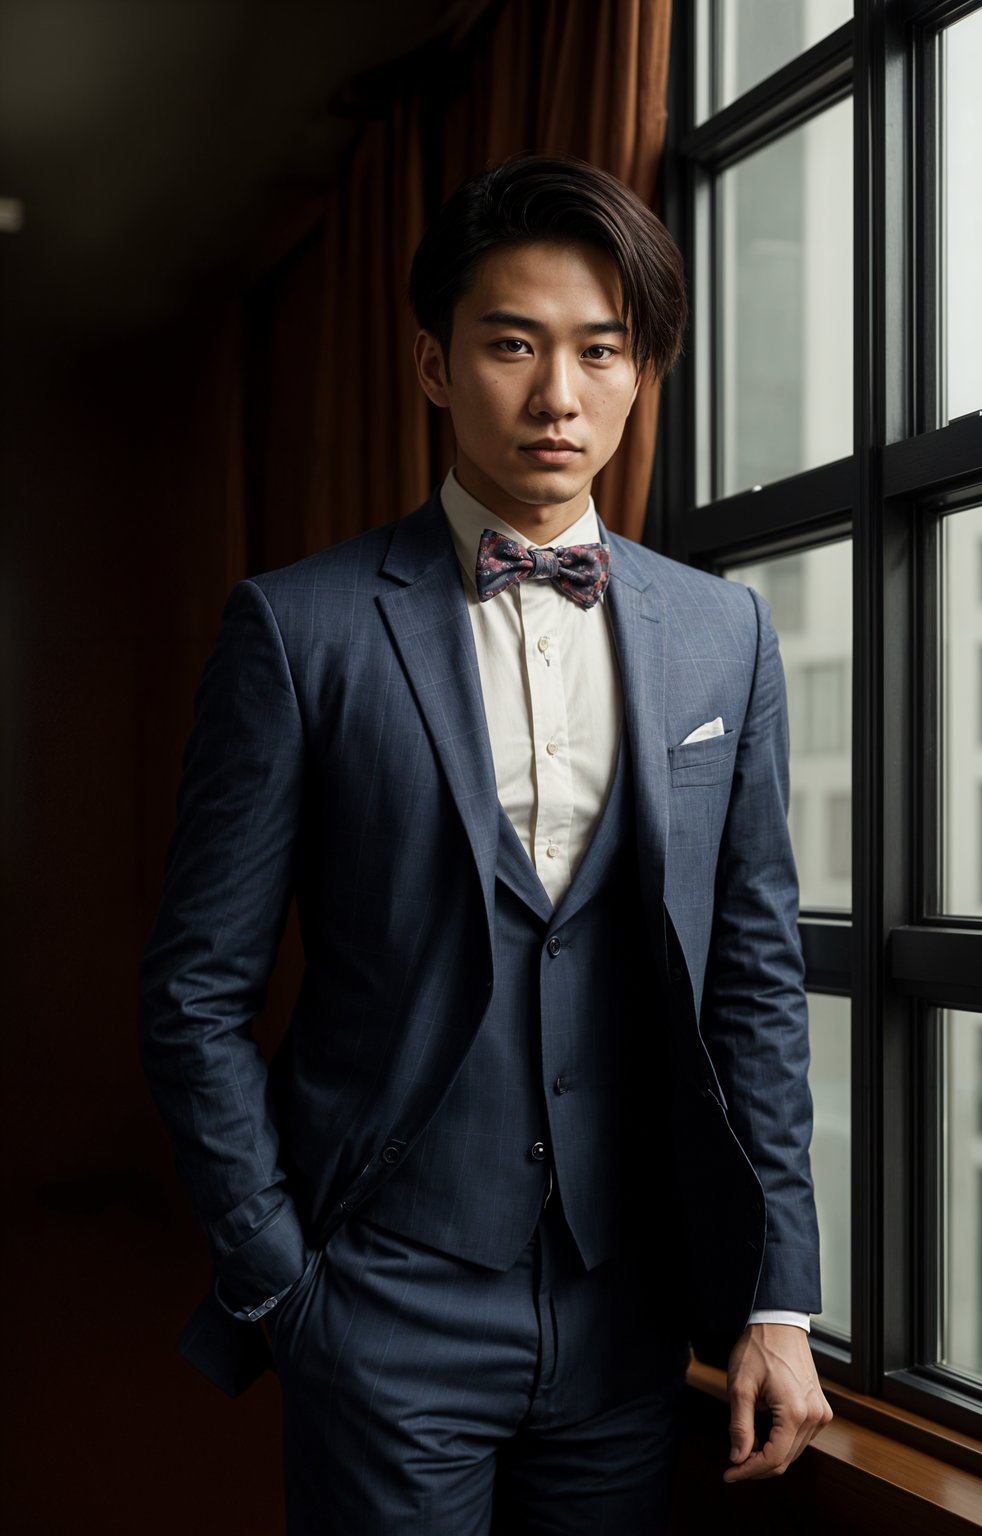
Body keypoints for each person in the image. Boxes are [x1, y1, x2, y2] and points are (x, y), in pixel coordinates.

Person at [139, 153, 831, 1533]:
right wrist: (284, 1280)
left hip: (626, 1316)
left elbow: (752, 978)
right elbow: (193, 992)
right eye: (512, 344)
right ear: (436, 364)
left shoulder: (724, 635)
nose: (557, 395)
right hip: (382, 1302)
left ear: (644, 375)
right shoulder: (299, 630)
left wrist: (779, 1297)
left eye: (601, 351)